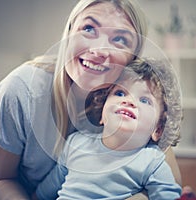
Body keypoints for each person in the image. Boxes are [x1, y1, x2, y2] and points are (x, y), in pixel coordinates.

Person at [0, 0, 182, 199]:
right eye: (89, 28)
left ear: (132, 59)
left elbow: (172, 181)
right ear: (69, 33)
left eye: (119, 39)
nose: (99, 51)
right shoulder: (21, 91)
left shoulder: (130, 97)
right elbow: (1, 180)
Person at [36, 57, 183, 199]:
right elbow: (45, 191)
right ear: (102, 114)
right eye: (120, 93)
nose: (129, 101)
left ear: (157, 130)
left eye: (144, 100)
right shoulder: (75, 143)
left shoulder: (152, 162)